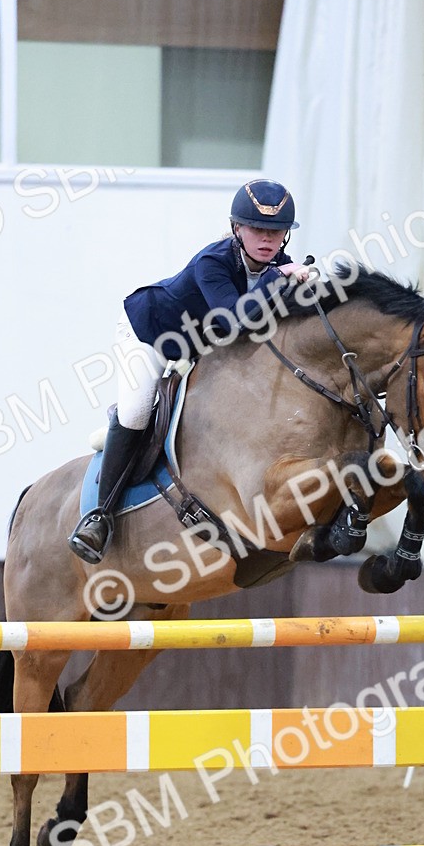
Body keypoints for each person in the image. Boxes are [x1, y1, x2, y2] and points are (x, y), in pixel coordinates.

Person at [68, 178, 311, 563]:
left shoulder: (277, 267)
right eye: (257, 229)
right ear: (237, 229)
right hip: (149, 335)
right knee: (136, 411)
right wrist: (278, 280)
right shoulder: (213, 263)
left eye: (276, 231)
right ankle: (99, 517)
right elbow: (235, 321)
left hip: (199, 347)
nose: (267, 239)